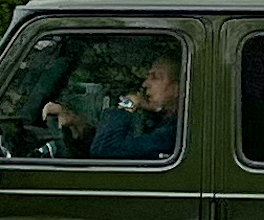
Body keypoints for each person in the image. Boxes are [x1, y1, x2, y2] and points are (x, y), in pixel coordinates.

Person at [44, 52, 181, 160]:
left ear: (176, 88)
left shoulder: (173, 132)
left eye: (155, 77)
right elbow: (127, 148)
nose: (145, 84)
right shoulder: (162, 123)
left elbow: (105, 152)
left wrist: (127, 104)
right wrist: (78, 125)